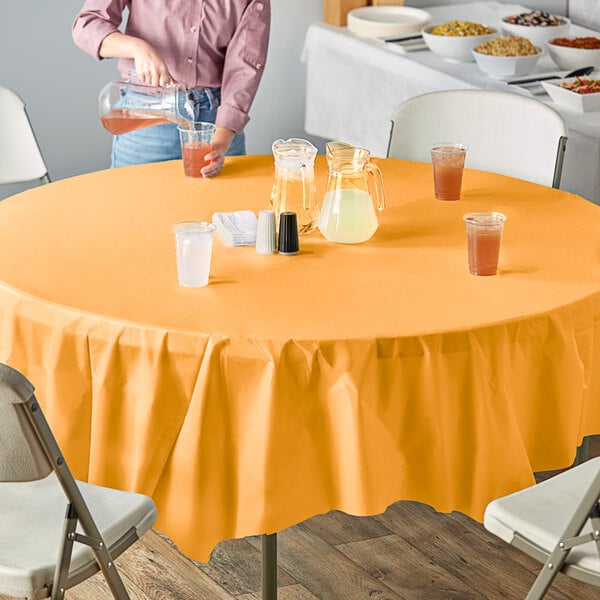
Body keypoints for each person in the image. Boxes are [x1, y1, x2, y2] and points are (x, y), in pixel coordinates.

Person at [72, 0, 271, 177]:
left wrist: (221, 140)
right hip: (146, 119)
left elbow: (244, 65)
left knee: (219, 213)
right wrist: (138, 48)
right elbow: (87, 25)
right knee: (136, 212)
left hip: (216, 123)